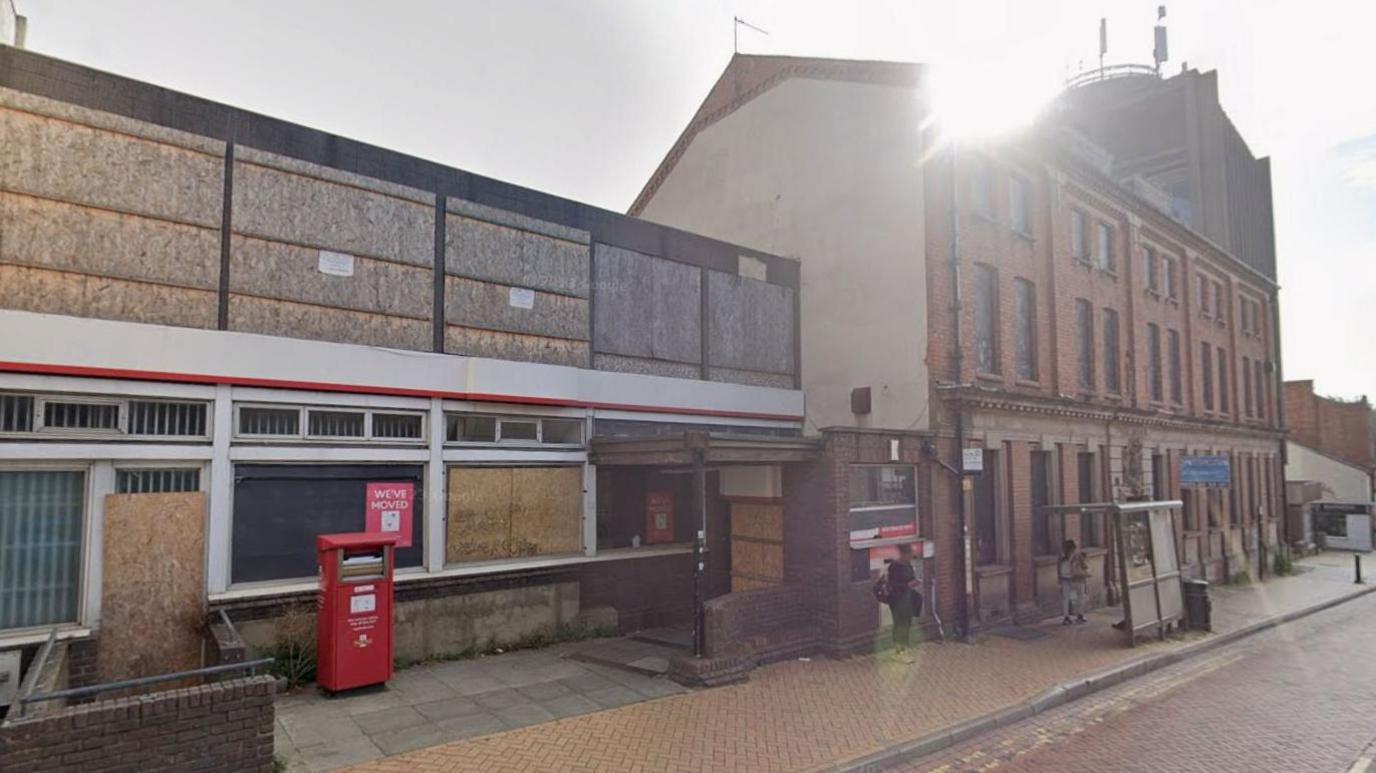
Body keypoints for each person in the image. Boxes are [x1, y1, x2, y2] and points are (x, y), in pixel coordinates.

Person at [886, 543, 922, 662]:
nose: (911, 557)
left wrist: (914, 582)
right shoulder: (894, 567)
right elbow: (893, 585)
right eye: (910, 554)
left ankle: (904, 648)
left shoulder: (908, 565)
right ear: (904, 554)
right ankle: (898, 651)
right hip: (897, 600)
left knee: (907, 624)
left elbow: (911, 578)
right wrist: (908, 585)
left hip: (907, 599)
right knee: (899, 624)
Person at [1058, 539, 1090, 625]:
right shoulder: (1077, 555)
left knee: (1065, 598)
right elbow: (1084, 566)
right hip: (1077, 578)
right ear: (1073, 547)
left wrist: (1059, 578)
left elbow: (1058, 567)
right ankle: (1080, 615)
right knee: (1080, 596)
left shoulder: (1061, 556)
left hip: (1064, 578)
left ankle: (1066, 618)